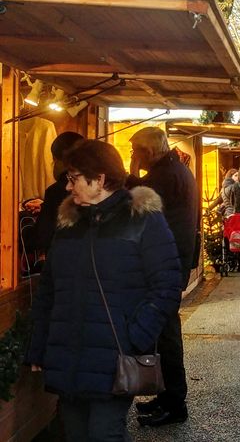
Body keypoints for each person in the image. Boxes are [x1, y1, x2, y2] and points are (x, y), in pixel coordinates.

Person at [26, 140, 181, 442]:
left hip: (114, 358)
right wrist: (39, 343)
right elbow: (48, 289)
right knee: (74, 434)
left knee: (103, 434)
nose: (68, 187)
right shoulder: (69, 223)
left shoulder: (143, 219)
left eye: (73, 178)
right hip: (68, 354)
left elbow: (167, 284)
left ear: (98, 180)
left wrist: (135, 336)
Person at [127, 127, 198, 427]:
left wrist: (130, 174)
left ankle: (174, 403)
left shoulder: (164, 175)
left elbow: (137, 206)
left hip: (164, 266)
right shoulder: (174, 170)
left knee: (167, 334)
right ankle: (168, 396)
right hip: (174, 262)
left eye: (136, 151)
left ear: (149, 151)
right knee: (165, 332)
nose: (133, 156)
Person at [22, 131, 84, 260]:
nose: (70, 187)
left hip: (64, 264)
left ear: (58, 159)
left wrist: (22, 225)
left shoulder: (57, 190)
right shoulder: (96, 186)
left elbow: (42, 236)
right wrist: (44, 206)